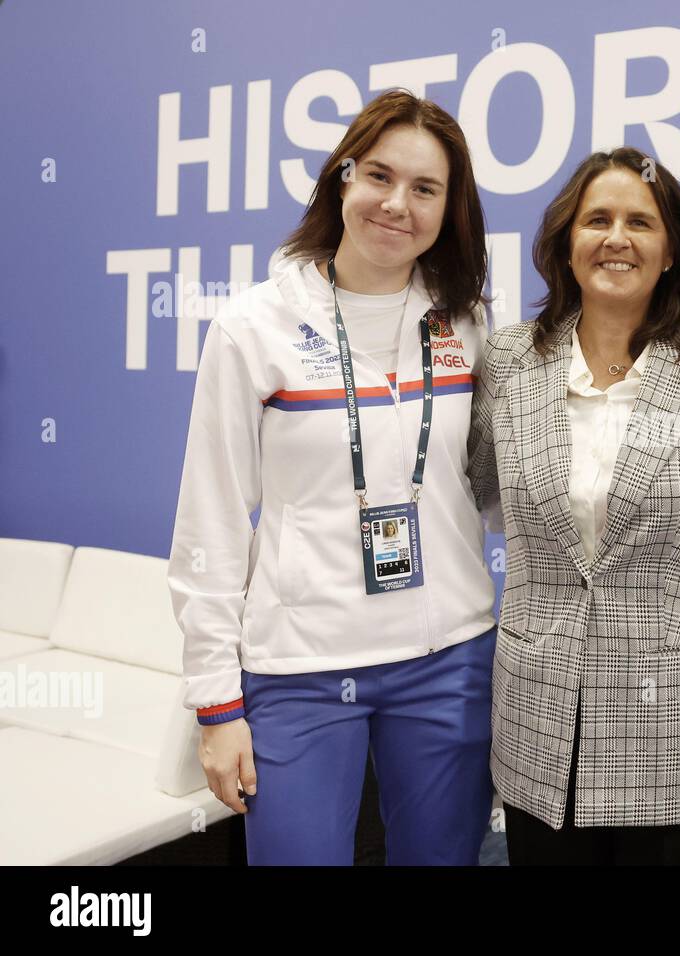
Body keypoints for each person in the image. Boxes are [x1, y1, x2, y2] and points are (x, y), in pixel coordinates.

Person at [167, 90, 498, 865]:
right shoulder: (254, 327)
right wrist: (216, 705)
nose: (396, 204)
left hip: (446, 659)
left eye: (425, 189)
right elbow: (211, 518)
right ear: (341, 178)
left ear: (451, 210)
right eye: (379, 176)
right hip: (300, 669)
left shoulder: (468, 325)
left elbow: (495, 493)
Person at [467, 146, 680, 865]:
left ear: (670, 250)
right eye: (596, 219)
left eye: (640, 221)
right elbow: (485, 494)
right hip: (541, 728)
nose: (616, 237)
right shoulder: (509, 363)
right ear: (565, 244)